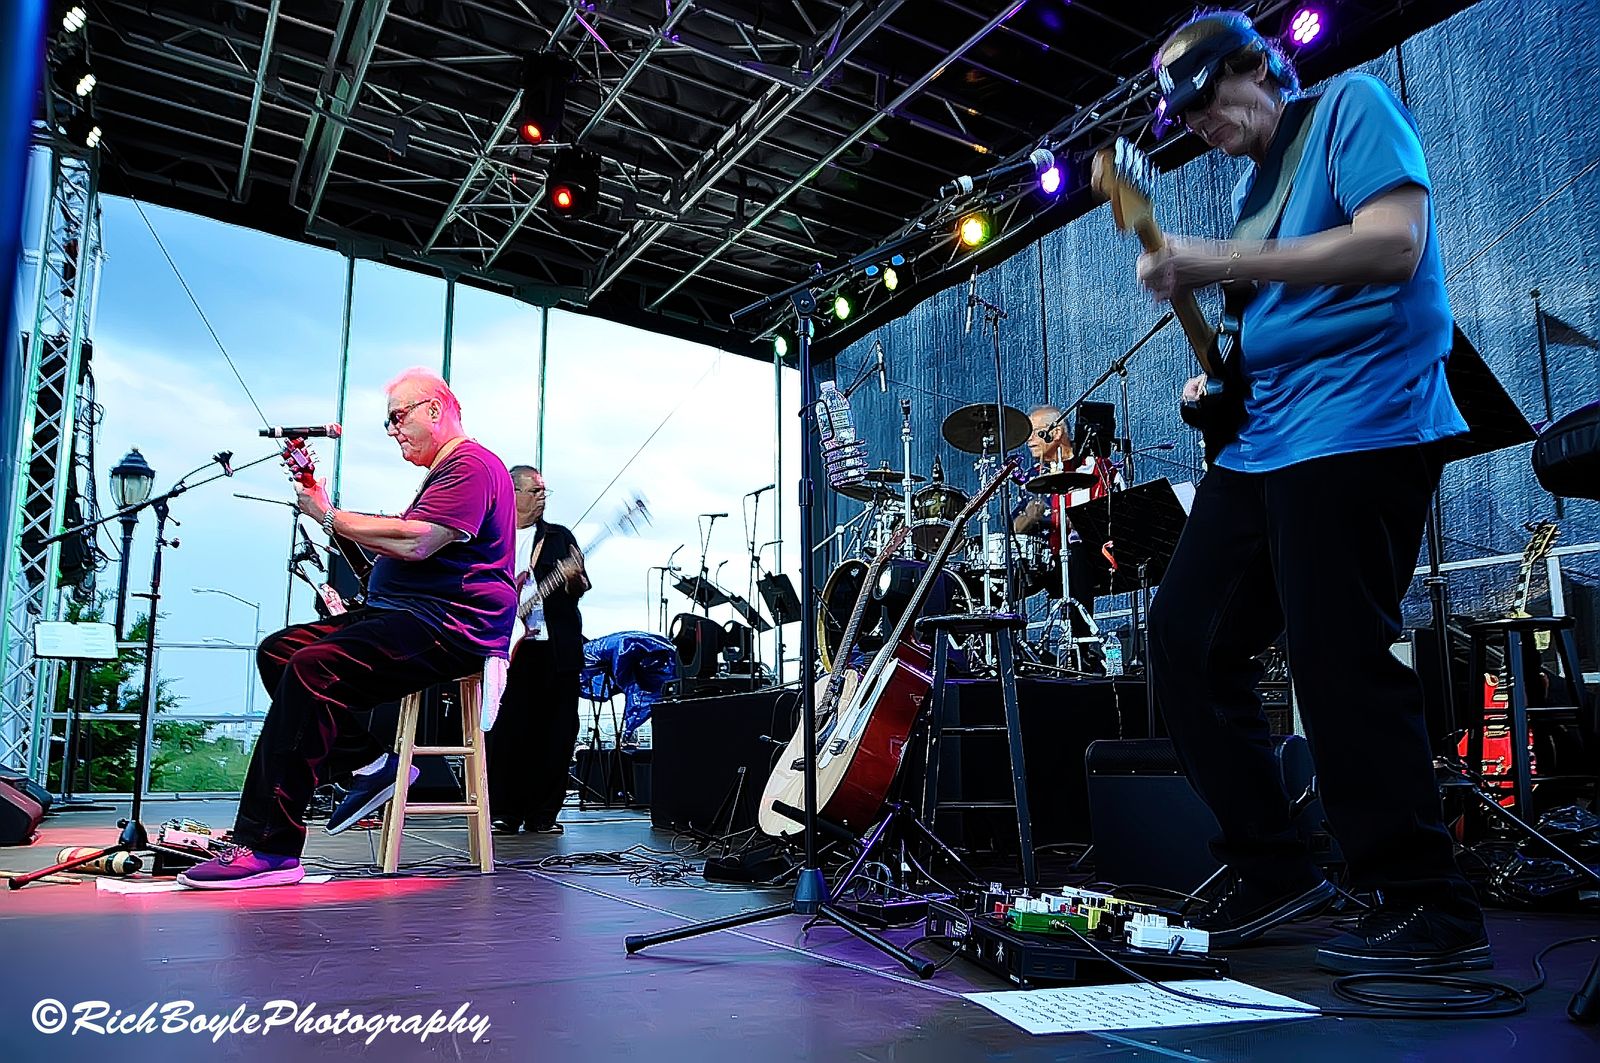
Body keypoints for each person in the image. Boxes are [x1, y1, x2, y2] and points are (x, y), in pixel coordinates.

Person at [1136, 12, 1486, 973]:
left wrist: (1217, 259)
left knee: (1336, 653)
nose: (1200, 125)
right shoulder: (1252, 195)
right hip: (1264, 442)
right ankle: (1272, 864)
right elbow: (1263, 329)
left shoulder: (1348, 111)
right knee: (1184, 637)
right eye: (1185, 118)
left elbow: (1393, 245)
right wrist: (1216, 380)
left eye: (1207, 101)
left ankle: (1426, 896)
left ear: (1258, 65)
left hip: (1363, 420)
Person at [179, 368, 516, 888]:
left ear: (434, 409)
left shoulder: (471, 464)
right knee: (279, 652)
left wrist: (329, 515)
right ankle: (371, 764)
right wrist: (318, 495)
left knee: (312, 668)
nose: (393, 430)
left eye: (398, 417)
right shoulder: (448, 471)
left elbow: (417, 541)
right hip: (410, 614)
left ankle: (269, 847)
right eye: (388, 422)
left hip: (449, 624)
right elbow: (400, 544)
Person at [485, 465, 588, 835]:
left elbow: (581, 586)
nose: (542, 497)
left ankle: (544, 813)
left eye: (545, 491)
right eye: (535, 490)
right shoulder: (490, 535)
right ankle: (505, 811)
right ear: (513, 493)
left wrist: (572, 578)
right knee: (508, 730)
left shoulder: (558, 537)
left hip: (555, 648)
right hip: (508, 649)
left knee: (557, 731)